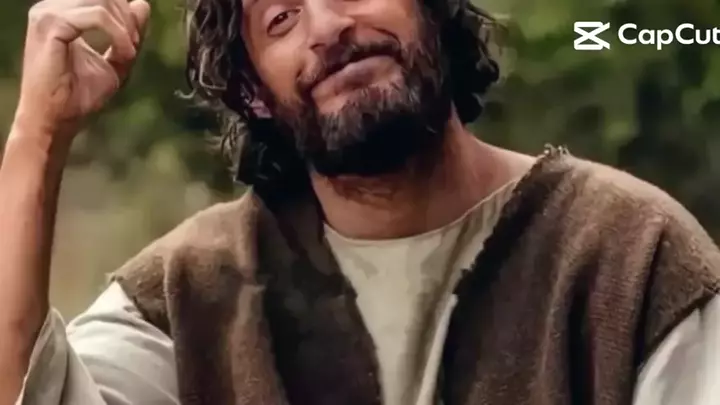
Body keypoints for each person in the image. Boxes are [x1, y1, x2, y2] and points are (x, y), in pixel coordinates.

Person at [1, 0, 719, 403]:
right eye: (281, 18)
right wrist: (38, 135)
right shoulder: (191, 293)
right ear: (253, 92)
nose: (327, 27)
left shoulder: (631, 255)